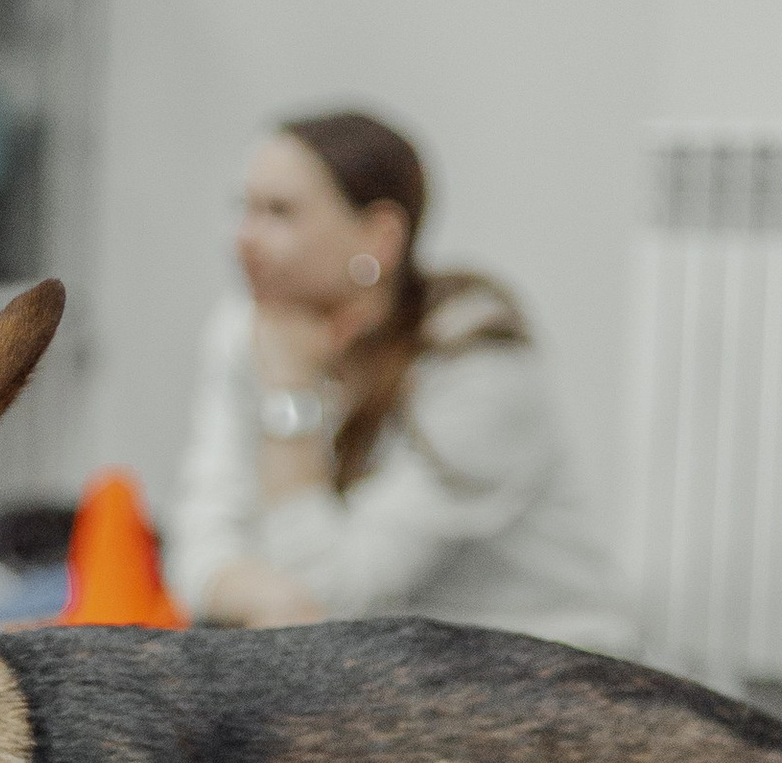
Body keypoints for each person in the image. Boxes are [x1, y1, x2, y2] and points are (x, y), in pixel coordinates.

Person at [169, 111, 634, 649]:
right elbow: (201, 537)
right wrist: (258, 595)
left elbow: (337, 593)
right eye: (243, 209)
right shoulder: (247, 327)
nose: (243, 240)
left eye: (280, 213)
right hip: (382, 669)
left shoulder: (480, 367)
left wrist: (290, 397)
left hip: (542, 671)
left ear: (380, 237)